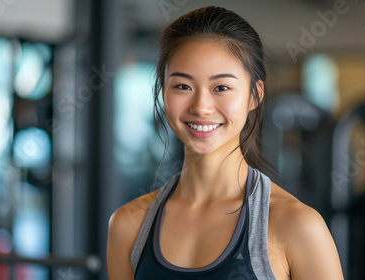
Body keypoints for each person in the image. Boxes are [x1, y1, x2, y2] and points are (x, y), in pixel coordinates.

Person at [107, 6, 344, 280]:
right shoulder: (128, 225)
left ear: (255, 95)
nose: (201, 107)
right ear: (163, 91)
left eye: (221, 87)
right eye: (183, 86)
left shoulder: (298, 227)